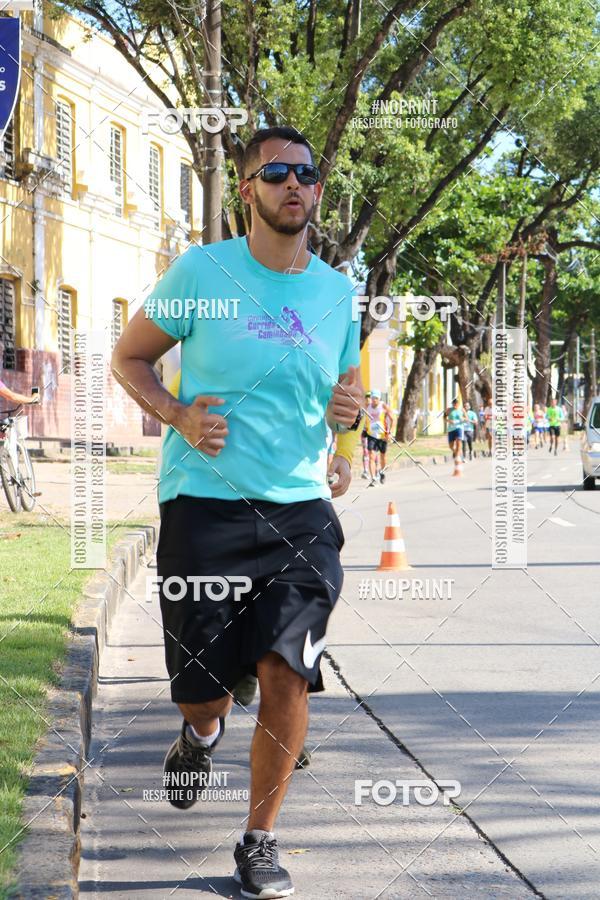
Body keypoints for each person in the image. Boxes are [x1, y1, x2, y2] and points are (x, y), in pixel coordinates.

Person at [111, 125, 364, 900]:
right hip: (205, 508)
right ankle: (201, 731)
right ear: (248, 190)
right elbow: (129, 358)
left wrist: (347, 440)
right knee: (203, 690)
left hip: (301, 514)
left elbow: (348, 385)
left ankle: (260, 840)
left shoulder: (336, 292)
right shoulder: (202, 272)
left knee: (289, 672)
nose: (294, 185)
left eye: (306, 174)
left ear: (318, 190)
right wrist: (178, 415)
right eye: (276, 174)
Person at [365, 389, 393, 486]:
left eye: (376, 398)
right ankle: (373, 478)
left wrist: (389, 432)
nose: (374, 400)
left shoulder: (383, 406)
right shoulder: (367, 406)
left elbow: (392, 419)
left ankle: (382, 472)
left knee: (383, 457)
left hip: (382, 435)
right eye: (373, 398)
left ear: (379, 398)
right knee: (371, 456)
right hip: (371, 435)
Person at [444, 397, 464, 462]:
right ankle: (455, 452)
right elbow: (444, 418)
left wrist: (463, 419)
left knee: (458, 442)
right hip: (451, 429)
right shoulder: (449, 410)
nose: (455, 404)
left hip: (459, 427)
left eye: (456, 403)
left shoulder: (462, 410)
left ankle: (457, 456)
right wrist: (449, 421)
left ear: (458, 404)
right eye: (454, 403)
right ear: (452, 404)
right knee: (451, 446)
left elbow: (466, 418)